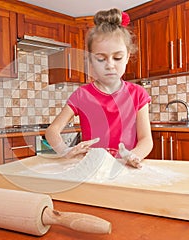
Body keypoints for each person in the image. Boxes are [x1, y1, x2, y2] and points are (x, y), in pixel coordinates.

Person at [45, 8, 153, 168]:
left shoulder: (138, 94)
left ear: (128, 56)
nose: (110, 65)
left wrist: (134, 156)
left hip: (125, 168)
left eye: (117, 57)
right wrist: (65, 151)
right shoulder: (82, 95)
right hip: (91, 167)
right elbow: (52, 131)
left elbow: (146, 139)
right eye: (101, 59)